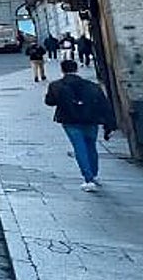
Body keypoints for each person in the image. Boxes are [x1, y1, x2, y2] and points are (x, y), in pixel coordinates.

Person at [44, 59, 117, 192]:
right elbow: (104, 105)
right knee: (91, 146)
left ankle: (88, 178)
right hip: (91, 120)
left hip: (70, 121)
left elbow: (49, 102)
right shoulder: (92, 86)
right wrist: (109, 125)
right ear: (76, 69)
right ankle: (94, 174)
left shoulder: (56, 85)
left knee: (79, 147)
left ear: (62, 70)